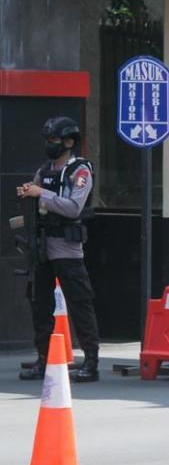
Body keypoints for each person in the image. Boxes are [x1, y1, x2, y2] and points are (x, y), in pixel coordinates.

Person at [16, 117, 101, 382]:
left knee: (80, 303)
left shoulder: (79, 171)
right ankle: (44, 359)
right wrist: (28, 192)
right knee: (39, 304)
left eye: (54, 140)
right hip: (41, 246)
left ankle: (91, 362)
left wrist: (41, 194)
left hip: (67, 247)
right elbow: (36, 193)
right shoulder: (45, 170)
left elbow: (74, 208)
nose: (50, 145)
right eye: (48, 140)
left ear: (69, 142)